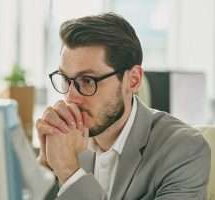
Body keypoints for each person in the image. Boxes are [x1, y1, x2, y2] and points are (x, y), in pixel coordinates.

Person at [36, 12, 211, 200]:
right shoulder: (65, 141)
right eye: (65, 79)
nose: (70, 97)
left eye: (87, 80)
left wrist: (69, 172)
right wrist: (43, 169)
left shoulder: (183, 149)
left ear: (133, 81)